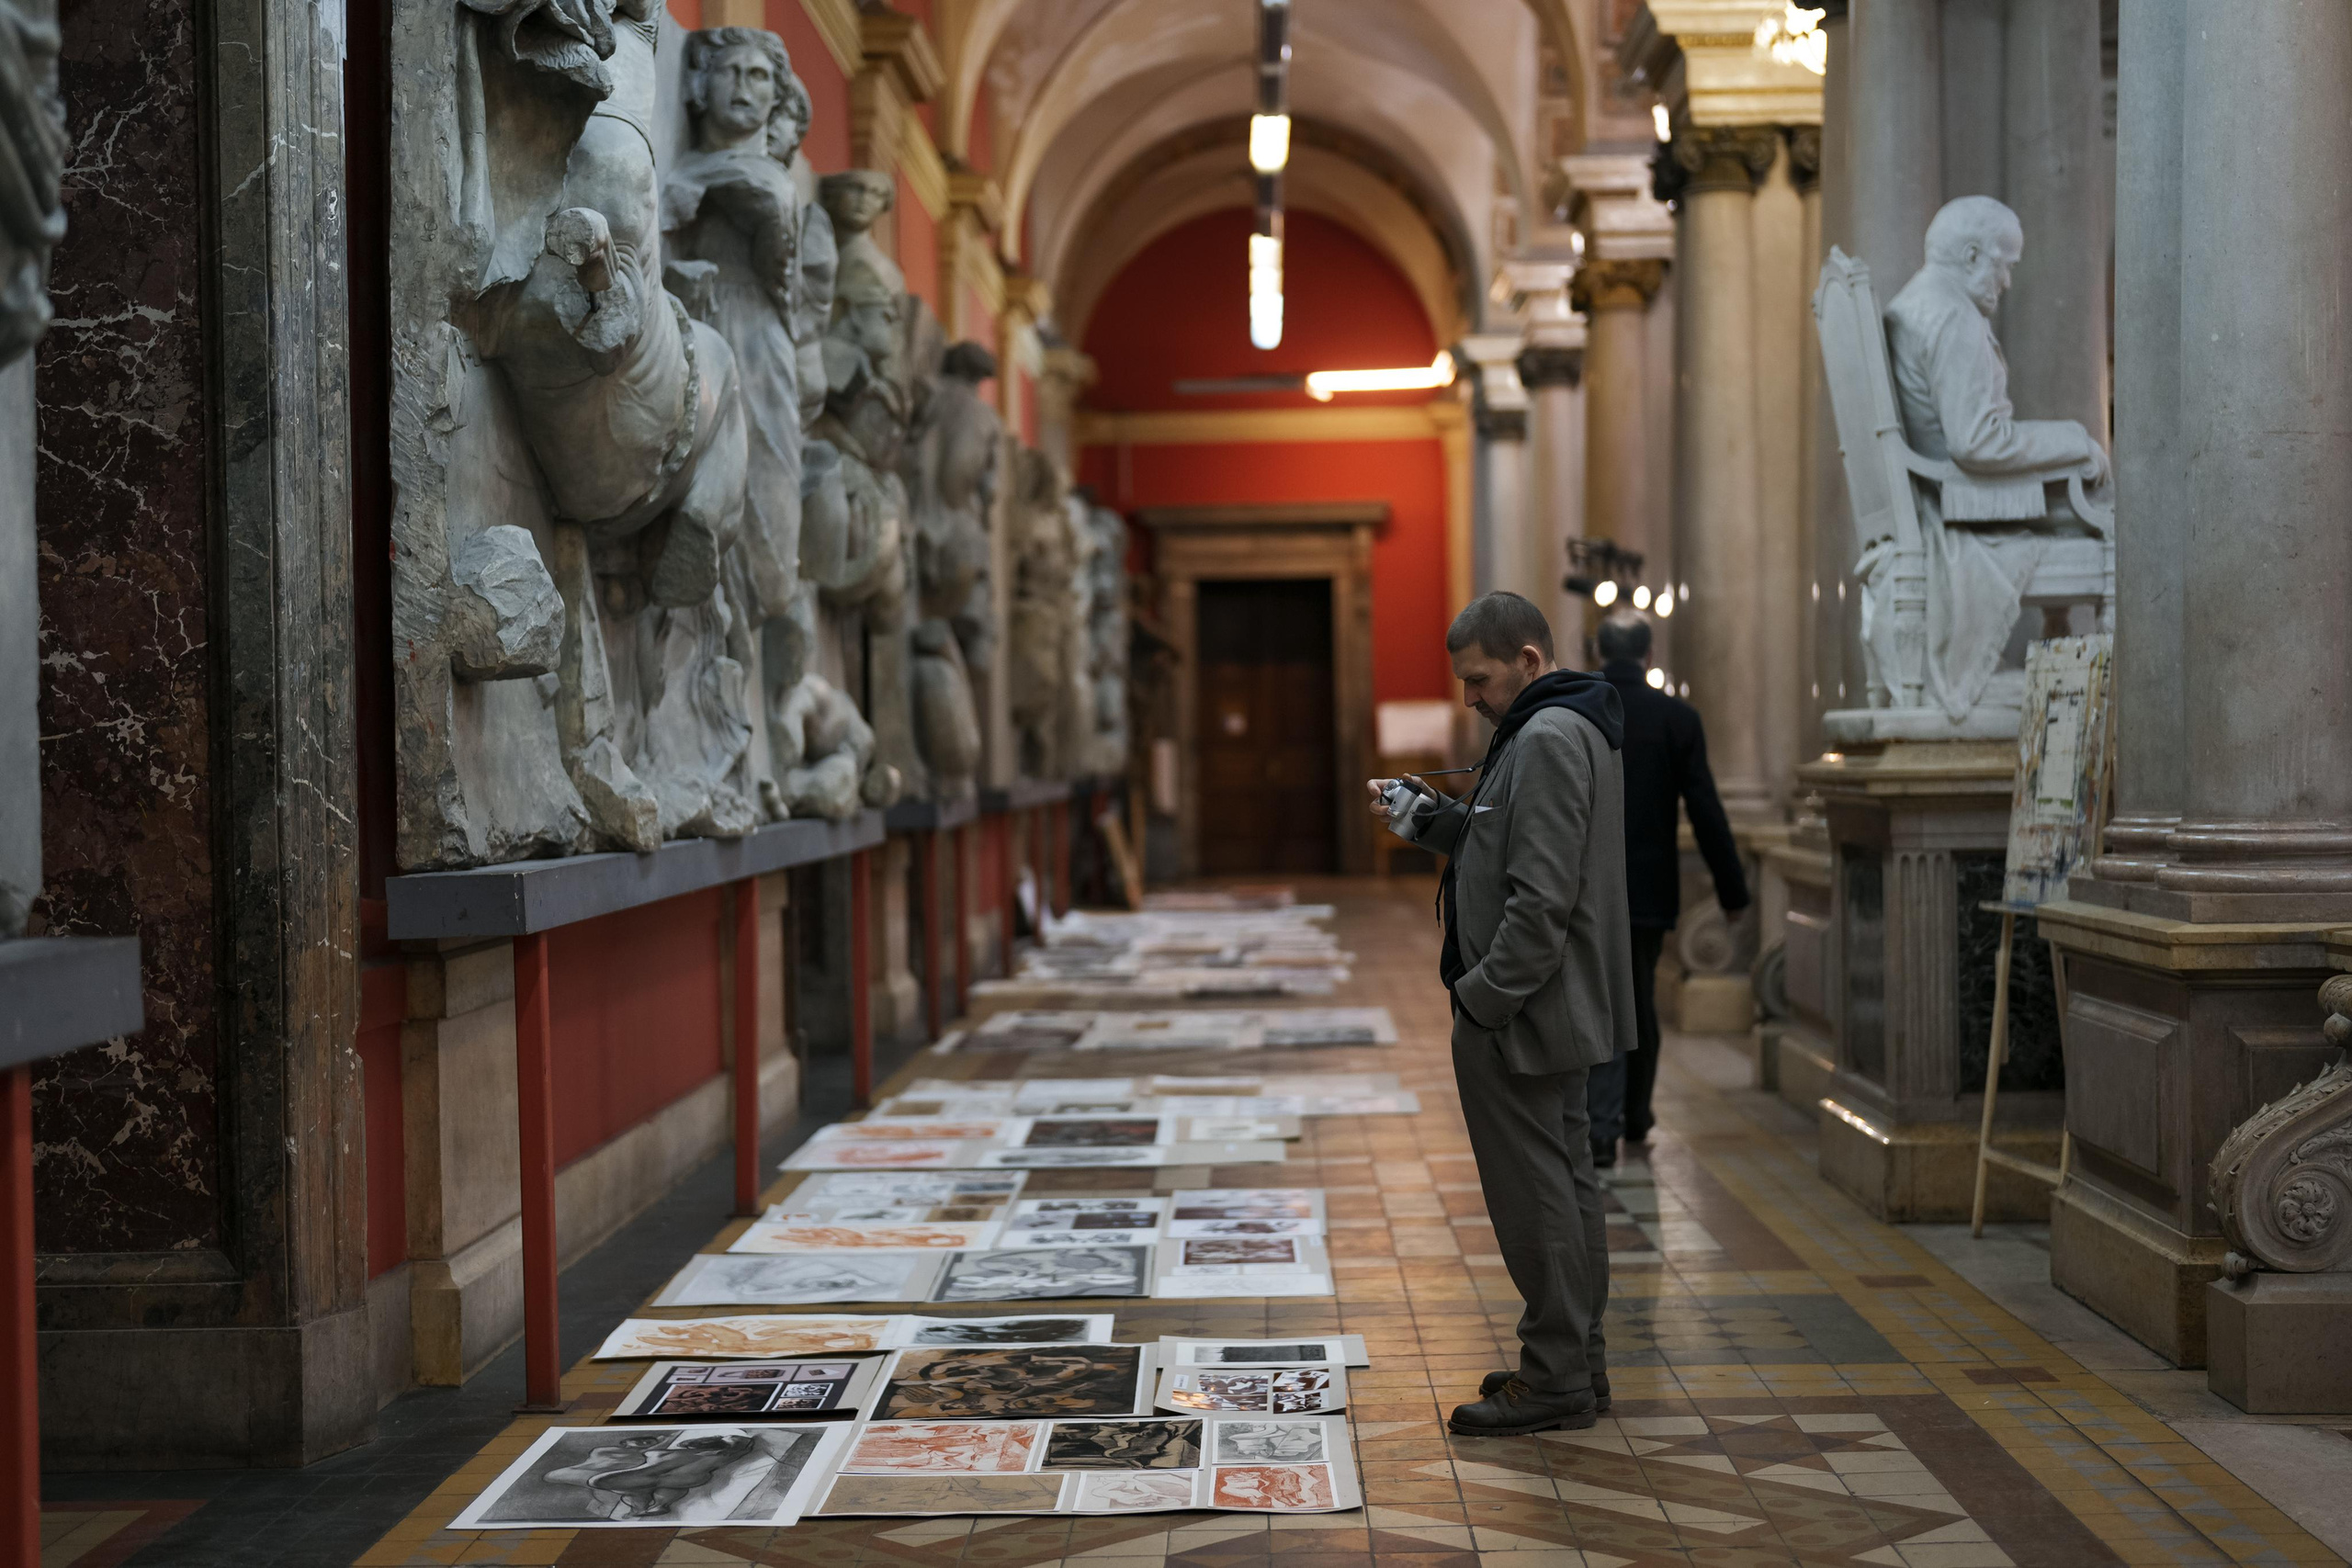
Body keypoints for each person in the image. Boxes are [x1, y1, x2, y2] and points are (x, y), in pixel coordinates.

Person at [1367, 591, 1632, 1437]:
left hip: (1523, 1011)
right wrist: (1426, 819)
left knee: (1535, 1196)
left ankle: (1554, 1376)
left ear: (1528, 659)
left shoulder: (1547, 736)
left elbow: (1541, 900)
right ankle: (1577, 1360)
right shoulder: (1551, 725)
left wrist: (1481, 999)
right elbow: (1505, 841)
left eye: (1479, 679)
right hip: (1546, 1004)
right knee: (1566, 1183)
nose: (1469, 696)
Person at [1589, 611, 1748, 1168]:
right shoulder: (1676, 717)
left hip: (1586, 888)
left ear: (1597, 654)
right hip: (1649, 890)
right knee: (1639, 1000)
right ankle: (1633, 1114)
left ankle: (1600, 1125)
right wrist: (1732, 891)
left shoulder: (1580, 711)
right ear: (1649, 656)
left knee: (1600, 1001)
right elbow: (1705, 808)